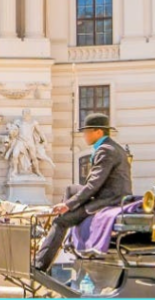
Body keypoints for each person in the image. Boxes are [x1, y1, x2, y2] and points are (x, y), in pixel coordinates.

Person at [32, 113, 132, 272]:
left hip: (109, 199)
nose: (84, 135)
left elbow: (93, 185)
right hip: (110, 194)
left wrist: (68, 205)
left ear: (98, 132)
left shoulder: (106, 150)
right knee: (71, 189)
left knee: (61, 222)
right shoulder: (111, 147)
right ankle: (63, 230)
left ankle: (39, 266)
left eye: (86, 132)